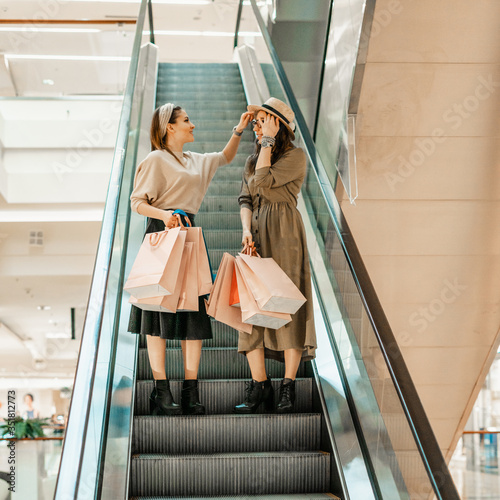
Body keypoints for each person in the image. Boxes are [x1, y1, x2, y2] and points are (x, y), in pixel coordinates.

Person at [128, 103, 252, 416]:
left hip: (190, 235)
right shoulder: (155, 159)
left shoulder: (195, 160)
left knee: (193, 314)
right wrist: (165, 215)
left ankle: (190, 390)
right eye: (186, 121)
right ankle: (161, 389)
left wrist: (239, 128)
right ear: (169, 127)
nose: (192, 125)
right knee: (158, 313)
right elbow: (137, 202)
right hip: (162, 231)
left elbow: (225, 157)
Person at [233, 97, 316, 415]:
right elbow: (246, 197)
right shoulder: (253, 160)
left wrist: (267, 142)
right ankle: (260, 384)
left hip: (285, 234)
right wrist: (246, 230)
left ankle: (288, 386)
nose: (256, 125)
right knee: (250, 309)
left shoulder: (295, 157)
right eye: (256, 122)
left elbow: (264, 182)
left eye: (263, 120)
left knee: (287, 306)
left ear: (277, 124)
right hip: (257, 232)